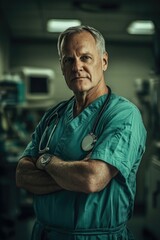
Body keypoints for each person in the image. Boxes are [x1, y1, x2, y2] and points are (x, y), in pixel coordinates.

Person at [16, 25, 147, 240]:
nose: (77, 66)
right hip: (44, 234)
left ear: (103, 61)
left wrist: (46, 161)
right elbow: (22, 175)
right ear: (61, 67)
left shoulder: (123, 115)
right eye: (68, 60)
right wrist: (71, 178)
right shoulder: (53, 115)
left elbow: (91, 179)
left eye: (85, 58)